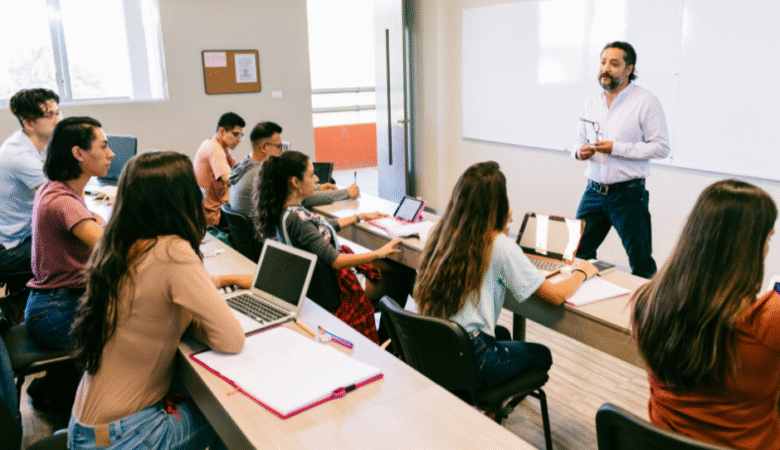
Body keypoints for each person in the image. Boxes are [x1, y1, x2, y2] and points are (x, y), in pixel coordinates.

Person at [69, 151, 248, 449]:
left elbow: (153, 290)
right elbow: (231, 340)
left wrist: (220, 283)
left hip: (87, 429)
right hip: (128, 435)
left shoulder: (118, 243)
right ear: (183, 198)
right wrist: (194, 322)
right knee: (231, 408)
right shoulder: (172, 250)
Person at [414, 161, 598, 389]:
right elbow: (556, 296)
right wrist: (581, 272)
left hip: (437, 345)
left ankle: (488, 399)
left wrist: (501, 227)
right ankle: (491, 408)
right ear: (497, 205)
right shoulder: (498, 245)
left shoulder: (442, 233)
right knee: (542, 355)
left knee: (503, 333)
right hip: (473, 355)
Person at [632, 179, 780, 449]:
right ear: (748, 247)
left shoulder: (648, 302)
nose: (768, 248)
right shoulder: (768, 318)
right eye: (767, 239)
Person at [254, 150, 407, 343]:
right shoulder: (300, 220)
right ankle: (387, 341)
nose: (317, 179)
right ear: (295, 182)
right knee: (404, 278)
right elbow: (335, 261)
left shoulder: (285, 212)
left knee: (396, 268)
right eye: (311, 175)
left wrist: (359, 217)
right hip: (338, 289)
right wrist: (378, 252)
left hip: (318, 286)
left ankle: (387, 340)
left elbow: (320, 231)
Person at [572, 41, 670, 278]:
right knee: (576, 254)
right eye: (603, 62)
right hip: (593, 192)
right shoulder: (590, 102)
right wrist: (578, 152)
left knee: (641, 263)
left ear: (629, 69)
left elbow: (661, 147)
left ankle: (646, 313)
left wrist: (616, 148)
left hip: (628, 195)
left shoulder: (646, 101)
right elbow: (577, 140)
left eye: (614, 64)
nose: (606, 68)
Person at [25, 117, 113, 351]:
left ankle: (57, 382)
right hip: (58, 313)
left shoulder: (56, 188)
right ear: (78, 153)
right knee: (146, 329)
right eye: (104, 146)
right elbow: (113, 249)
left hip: (51, 305)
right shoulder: (64, 201)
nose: (111, 154)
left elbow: (97, 221)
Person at [229, 121, 360, 218]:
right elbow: (301, 198)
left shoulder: (244, 165)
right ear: (263, 147)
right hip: (268, 241)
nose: (282, 152)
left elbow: (291, 191)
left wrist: (317, 187)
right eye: (279, 147)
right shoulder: (261, 175)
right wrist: (346, 193)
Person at [0, 88, 61, 289]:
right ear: (28, 123)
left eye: (57, 112)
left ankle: (20, 305)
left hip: (22, 232)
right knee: (76, 248)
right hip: (10, 248)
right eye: (50, 115)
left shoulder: (35, 143)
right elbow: (59, 201)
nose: (58, 119)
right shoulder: (20, 156)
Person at [194, 112, 245, 227]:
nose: (239, 139)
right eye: (236, 134)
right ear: (222, 131)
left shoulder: (216, 144)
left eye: (241, 135)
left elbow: (237, 168)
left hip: (207, 210)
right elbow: (228, 179)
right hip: (210, 215)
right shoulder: (215, 149)